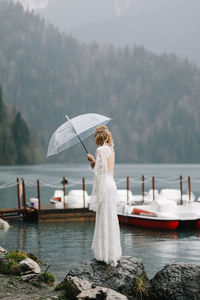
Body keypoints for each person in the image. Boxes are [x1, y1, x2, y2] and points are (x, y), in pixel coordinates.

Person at [87, 125, 122, 266]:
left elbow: (99, 172)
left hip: (105, 187)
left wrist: (92, 160)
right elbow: (107, 170)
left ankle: (104, 254)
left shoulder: (100, 150)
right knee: (111, 218)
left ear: (98, 139)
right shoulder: (111, 150)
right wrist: (95, 164)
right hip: (111, 185)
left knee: (103, 218)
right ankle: (112, 252)